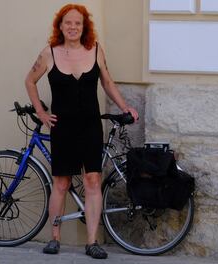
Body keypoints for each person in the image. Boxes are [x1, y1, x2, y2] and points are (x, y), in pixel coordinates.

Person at [24, 3, 138, 259]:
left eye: (78, 23)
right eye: (68, 22)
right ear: (60, 26)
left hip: (90, 125)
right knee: (61, 183)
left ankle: (92, 242)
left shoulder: (95, 50)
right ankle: (54, 238)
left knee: (92, 181)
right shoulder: (49, 53)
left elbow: (107, 82)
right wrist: (41, 114)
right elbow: (29, 81)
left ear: (84, 26)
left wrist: (125, 106)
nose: (73, 27)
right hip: (62, 127)